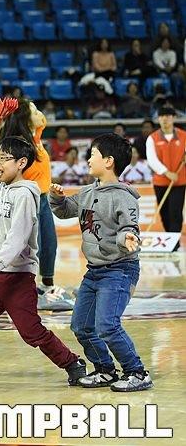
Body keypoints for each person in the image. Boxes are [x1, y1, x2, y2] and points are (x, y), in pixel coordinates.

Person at [0, 135, 85, 384]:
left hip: (17, 277)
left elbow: (19, 236)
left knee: (31, 332)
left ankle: (71, 362)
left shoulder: (24, 194)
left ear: (22, 163)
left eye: (4, 158)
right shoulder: (0, 185)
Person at [50, 134, 153, 392]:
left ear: (108, 161)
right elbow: (65, 210)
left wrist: (127, 237)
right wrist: (57, 198)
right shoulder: (87, 192)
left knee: (107, 325)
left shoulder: (124, 197)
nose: (88, 159)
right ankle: (105, 370)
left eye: (93, 154)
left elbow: (128, 226)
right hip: (94, 271)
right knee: (81, 326)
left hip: (120, 270)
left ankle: (137, 372)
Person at [0, 98, 74, 310]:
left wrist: (31, 111)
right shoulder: (17, 144)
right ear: (25, 118)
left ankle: (47, 285)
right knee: (30, 248)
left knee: (49, 244)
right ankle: (20, 289)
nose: (39, 113)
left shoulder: (35, 137)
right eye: (34, 110)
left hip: (43, 198)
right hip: (27, 199)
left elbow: (42, 121)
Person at [145, 106, 186, 241]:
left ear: (173, 118)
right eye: (162, 117)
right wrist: (167, 172)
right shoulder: (152, 138)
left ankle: (174, 242)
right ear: (158, 119)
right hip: (160, 182)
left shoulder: (184, 136)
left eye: (168, 116)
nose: (165, 119)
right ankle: (170, 238)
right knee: (164, 213)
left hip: (179, 182)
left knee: (175, 212)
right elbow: (152, 160)